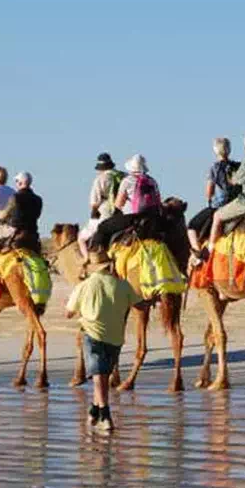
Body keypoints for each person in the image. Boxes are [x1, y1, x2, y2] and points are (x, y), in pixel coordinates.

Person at [65, 249, 142, 433]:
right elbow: (140, 304)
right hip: (116, 337)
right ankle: (94, 409)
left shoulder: (83, 286)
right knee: (102, 376)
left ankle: (105, 415)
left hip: (92, 334)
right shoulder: (123, 285)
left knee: (99, 378)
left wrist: (71, 307)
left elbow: (68, 313)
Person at [89, 154, 162, 252]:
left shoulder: (128, 181)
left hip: (132, 217)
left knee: (103, 227)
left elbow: (119, 203)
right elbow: (158, 200)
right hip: (152, 218)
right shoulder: (152, 181)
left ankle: (101, 255)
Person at [187, 137, 240, 261]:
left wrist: (210, 197)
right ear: (229, 150)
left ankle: (198, 252)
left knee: (191, 226)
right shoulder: (238, 166)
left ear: (216, 150)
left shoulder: (215, 168)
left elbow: (209, 192)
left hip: (219, 206)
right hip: (237, 205)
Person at [80, 153, 123, 257]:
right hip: (125, 214)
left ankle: (88, 260)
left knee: (81, 238)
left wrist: (94, 213)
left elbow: (94, 202)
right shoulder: (124, 176)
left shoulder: (100, 179)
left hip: (107, 214)